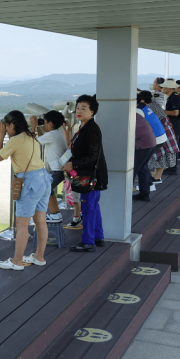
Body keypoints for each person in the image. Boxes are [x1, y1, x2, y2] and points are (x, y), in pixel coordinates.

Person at [0, 110, 52, 270]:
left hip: (30, 183)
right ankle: (39, 257)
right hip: (44, 179)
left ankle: (17, 261)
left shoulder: (15, 140)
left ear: (11, 125)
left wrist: (0, 135)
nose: (5, 130)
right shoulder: (30, 136)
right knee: (40, 221)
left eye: (6, 127)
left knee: (22, 224)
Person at [63, 95, 108, 252]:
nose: (79, 111)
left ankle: (88, 241)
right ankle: (98, 236)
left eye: (84, 108)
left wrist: (72, 164)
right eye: (77, 108)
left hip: (90, 176)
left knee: (88, 208)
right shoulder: (84, 127)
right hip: (89, 175)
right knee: (93, 206)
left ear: (93, 111)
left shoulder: (92, 129)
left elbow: (92, 156)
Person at [33, 110, 68, 223]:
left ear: (50, 124)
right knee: (47, 189)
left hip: (58, 169)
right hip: (60, 169)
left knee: (44, 189)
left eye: (44, 123)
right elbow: (42, 138)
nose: (43, 125)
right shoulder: (56, 133)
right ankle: (55, 214)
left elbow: (33, 142)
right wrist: (39, 127)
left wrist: (33, 126)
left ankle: (54, 215)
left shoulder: (51, 135)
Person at [144, 90, 179, 184]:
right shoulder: (155, 106)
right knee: (162, 154)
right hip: (166, 131)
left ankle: (157, 178)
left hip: (161, 133)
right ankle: (156, 175)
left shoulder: (149, 108)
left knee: (160, 154)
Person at [133, 99, 157, 202]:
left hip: (143, 143)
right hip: (151, 141)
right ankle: (145, 193)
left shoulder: (120, 113)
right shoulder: (133, 111)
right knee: (142, 167)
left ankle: (124, 198)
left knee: (131, 170)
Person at [62, 121, 82, 227]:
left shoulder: (76, 148)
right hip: (77, 173)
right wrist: (68, 129)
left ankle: (76, 217)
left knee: (75, 197)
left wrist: (65, 129)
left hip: (75, 174)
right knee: (77, 196)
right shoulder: (79, 142)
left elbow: (68, 143)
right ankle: (79, 214)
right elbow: (69, 142)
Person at [162, 78, 180, 174]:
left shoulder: (174, 97)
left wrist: (161, 112)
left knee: (172, 144)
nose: (163, 88)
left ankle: (172, 168)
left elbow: (175, 113)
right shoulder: (174, 96)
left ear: (170, 88)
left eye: (165, 87)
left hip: (175, 123)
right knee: (172, 144)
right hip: (175, 123)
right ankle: (171, 167)